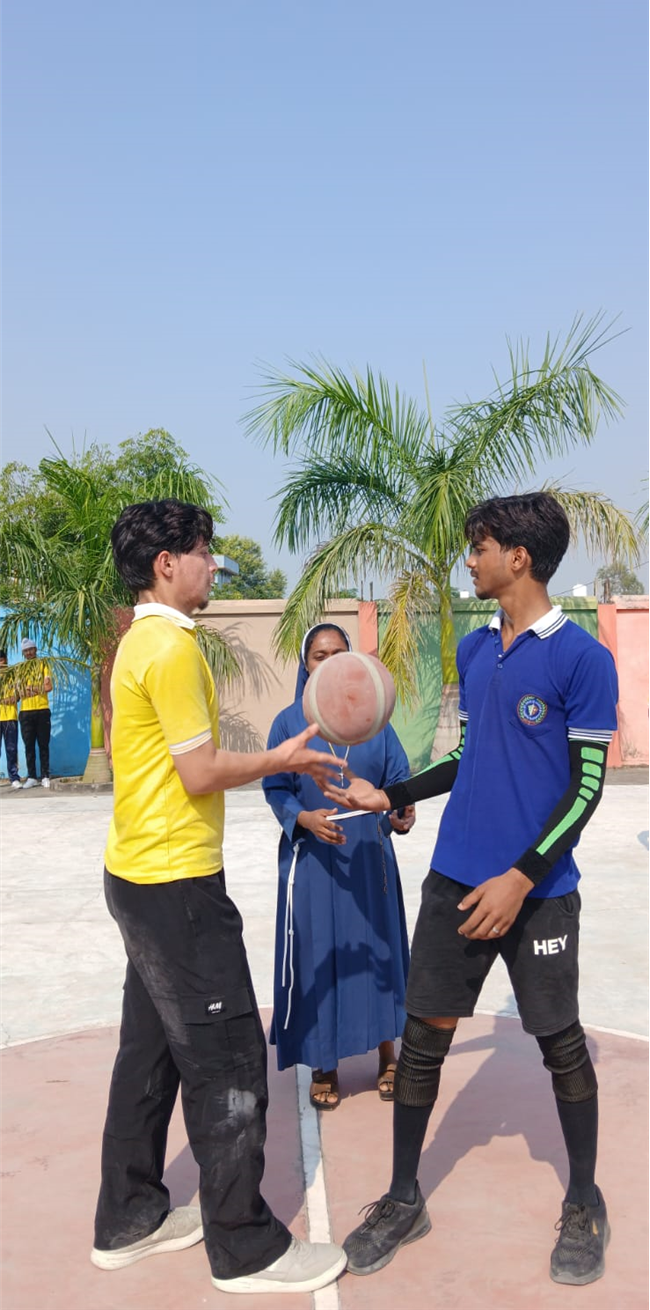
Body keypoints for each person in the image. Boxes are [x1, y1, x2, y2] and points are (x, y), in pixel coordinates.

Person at [332, 492, 618, 1288]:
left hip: (539, 890)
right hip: (455, 878)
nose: (469, 559)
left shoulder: (583, 658)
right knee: (423, 1037)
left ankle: (585, 1200)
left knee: (561, 1043)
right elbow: (469, 756)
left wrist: (522, 876)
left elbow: (587, 787)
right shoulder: (473, 646)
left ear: (518, 557)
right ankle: (403, 1196)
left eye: (480, 547)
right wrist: (392, 794)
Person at [91, 499, 347, 1297]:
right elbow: (199, 771)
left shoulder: (142, 641)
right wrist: (284, 759)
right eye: (205, 553)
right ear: (166, 562)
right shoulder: (167, 647)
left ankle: (128, 1216)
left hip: (138, 875)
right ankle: (245, 1246)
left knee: (150, 1050)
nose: (213, 567)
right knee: (230, 1058)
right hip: (176, 887)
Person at [262, 623, 415, 1110]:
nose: (328, 663)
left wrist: (401, 812)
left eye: (338, 654)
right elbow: (275, 788)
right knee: (319, 956)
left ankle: (388, 1054)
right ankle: (323, 1062)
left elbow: (399, 780)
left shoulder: (375, 719)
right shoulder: (288, 723)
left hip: (369, 856)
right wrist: (303, 818)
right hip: (313, 860)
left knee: (380, 953)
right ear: (305, 666)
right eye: (318, 656)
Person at [18, 639, 53, 789]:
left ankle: (45, 776)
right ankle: (32, 777)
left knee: (43, 744)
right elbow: (19, 692)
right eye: (26, 651)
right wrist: (38, 688)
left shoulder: (43, 664)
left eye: (31, 649)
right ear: (23, 653)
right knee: (29, 746)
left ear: (35, 649)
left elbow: (48, 687)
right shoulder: (20, 669)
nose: (29, 653)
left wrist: (31, 689)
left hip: (42, 710)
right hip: (25, 712)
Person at [0, 652, 22, 789]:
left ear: (6, 660)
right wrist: (5, 700)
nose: (0, 663)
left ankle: (14, 778)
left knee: (12, 749)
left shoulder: (13, 675)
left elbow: (17, 696)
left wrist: (11, 699)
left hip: (10, 717)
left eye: (1, 660)